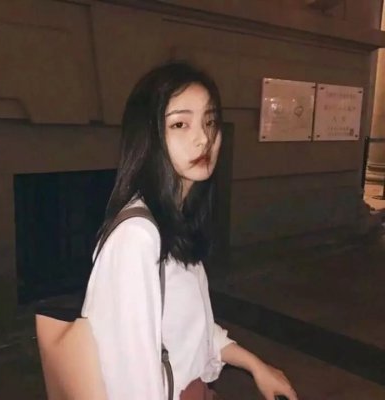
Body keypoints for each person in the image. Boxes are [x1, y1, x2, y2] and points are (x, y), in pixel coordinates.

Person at [81, 61, 298, 400]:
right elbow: (128, 374)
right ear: (148, 138)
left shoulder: (173, 221)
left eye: (209, 121)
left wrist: (255, 365)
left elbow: (191, 329)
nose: (203, 138)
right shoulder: (138, 237)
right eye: (180, 124)